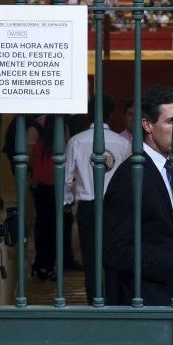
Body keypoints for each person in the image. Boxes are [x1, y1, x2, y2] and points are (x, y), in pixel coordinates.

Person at [103, 85, 173, 306]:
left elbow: (155, 233)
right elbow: (112, 251)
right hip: (142, 303)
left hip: (168, 297)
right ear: (147, 125)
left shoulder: (167, 168)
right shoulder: (131, 176)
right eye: (171, 122)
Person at [64, 96, 131, 303]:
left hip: (88, 206)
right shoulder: (123, 143)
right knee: (115, 255)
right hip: (116, 207)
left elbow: (65, 178)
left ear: (88, 114)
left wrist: (66, 202)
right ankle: (113, 299)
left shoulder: (76, 140)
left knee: (91, 259)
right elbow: (129, 179)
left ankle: (94, 301)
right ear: (111, 114)